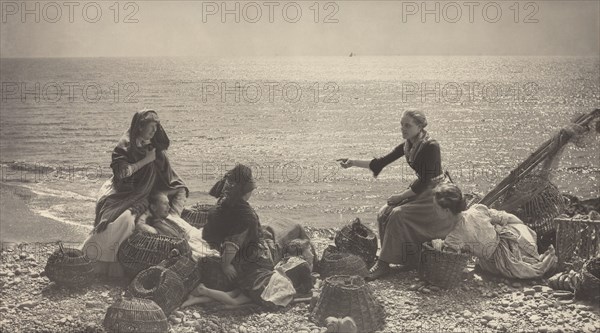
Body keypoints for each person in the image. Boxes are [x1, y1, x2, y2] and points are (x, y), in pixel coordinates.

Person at [338, 110, 454, 280]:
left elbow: (425, 180)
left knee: (398, 214)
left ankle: (384, 264)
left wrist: (400, 197)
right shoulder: (408, 144)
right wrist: (353, 163)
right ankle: (399, 259)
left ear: (420, 126)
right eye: (401, 124)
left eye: (407, 125)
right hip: (421, 189)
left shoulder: (431, 146)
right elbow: (380, 162)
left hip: (437, 193)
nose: (403, 129)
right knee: (384, 211)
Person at [81, 110, 188, 278]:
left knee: (133, 219)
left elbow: (169, 177)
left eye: (156, 127)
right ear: (140, 127)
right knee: (122, 219)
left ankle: (124, 261)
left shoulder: (153, 148)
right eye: (151, 127)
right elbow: (121, 174)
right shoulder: (125, 146)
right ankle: (96, 259)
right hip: (121, 189)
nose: (154, 131)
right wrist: (146, 160)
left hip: (143, 191)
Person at [200, 164, 314, 305]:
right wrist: (226, 265)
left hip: (240, 250)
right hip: (255, 258)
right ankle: (311, 265)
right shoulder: (246, 217)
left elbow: (215, 235)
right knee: (294, 229)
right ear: (246, 191)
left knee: (275, 230)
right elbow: (233, 244)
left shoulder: (222, 205)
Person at [431, 183, 557, 279]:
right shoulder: (476, 210)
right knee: (514, 229)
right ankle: (536, 253)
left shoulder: (455, 236)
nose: (434, 210)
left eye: (436, 207)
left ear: (446, 211)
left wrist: (438, 246)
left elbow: (449, 261)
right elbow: (505, 217)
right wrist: (522, 226)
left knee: (522, 268)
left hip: (498, 260)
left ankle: (538, 258)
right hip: (511, 239)